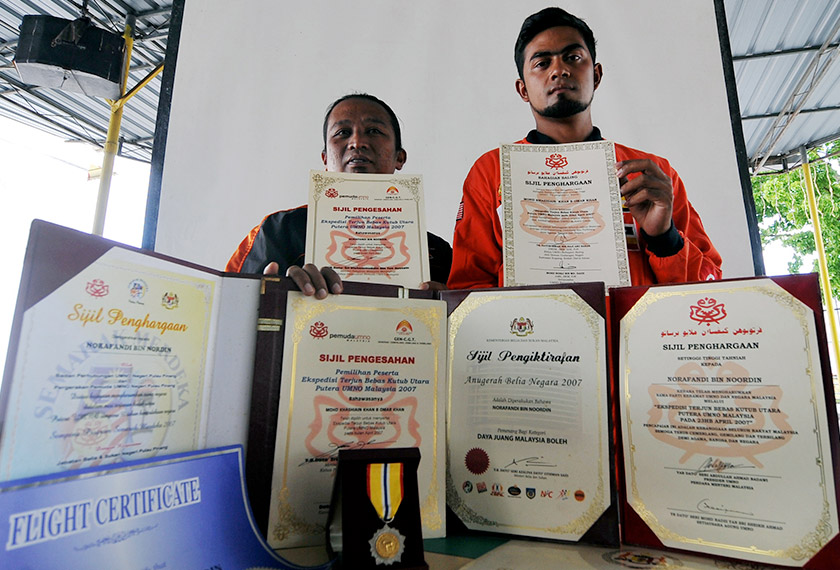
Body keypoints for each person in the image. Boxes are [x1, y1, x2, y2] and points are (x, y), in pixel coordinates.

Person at [447, 7, 722, 290]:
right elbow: (470, 288)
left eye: (573, 57)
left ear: (597, 75)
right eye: (542, 63)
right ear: (523, 90)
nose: (559, 70)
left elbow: (709, 290)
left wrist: (664, 238)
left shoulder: (653, 175)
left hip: (634, 333)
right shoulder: (491, 172)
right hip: (532, 332)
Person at [227, 94, 452, 296]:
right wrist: (273, 295)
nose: (357, 142)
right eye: (342, 133)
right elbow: (231, 314)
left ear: (400, 158)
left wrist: (448, 308)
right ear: (325, 159)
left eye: (374, 131)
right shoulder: (280, 230)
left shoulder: (437, 252)